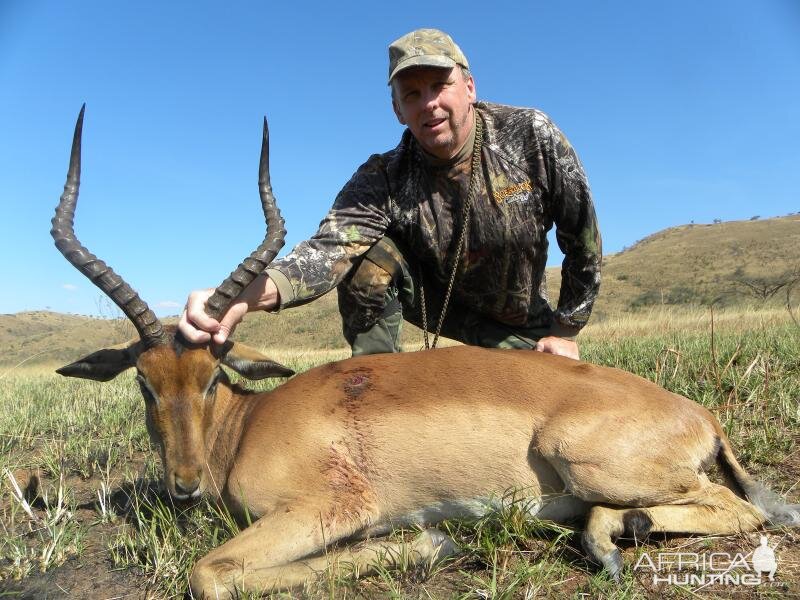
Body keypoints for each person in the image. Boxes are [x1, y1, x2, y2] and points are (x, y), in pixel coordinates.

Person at [179, 28, 601, 360]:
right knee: (366, 257)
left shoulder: (530, 135)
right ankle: (379, 391)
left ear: (469, 87)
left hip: (521, 325)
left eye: (440, 84)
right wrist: (233, 300)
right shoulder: (384, 175)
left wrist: (565, 332)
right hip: (443, 312)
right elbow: (324, 255)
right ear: (398, 110)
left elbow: (582, 238)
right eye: (412, 94)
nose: (429, 103)